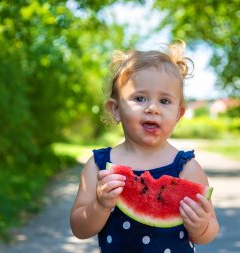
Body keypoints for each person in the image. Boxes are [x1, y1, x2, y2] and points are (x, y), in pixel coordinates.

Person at [70, 41, 219, 253]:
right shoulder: (98, 166)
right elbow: (79, 228)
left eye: (165, 101)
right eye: (140, 98)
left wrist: (202, 226)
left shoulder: (188, 168)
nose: (152, 108)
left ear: (178, 115)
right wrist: (100, 205)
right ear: (116, 109)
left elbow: (209, 231)